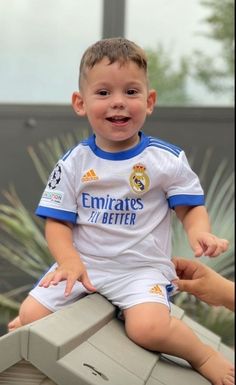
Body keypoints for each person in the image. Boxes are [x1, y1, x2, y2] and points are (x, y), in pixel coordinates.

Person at [8, 38, 234, 385]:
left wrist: (199, 233)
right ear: (80, 103)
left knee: (148, 328)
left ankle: (203, 355)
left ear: (150, 101)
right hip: (85, 266)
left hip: (139, 270)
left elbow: (191, 209)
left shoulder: (165, 159)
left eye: (131, 92)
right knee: (31, 313)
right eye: (103, 93)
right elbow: (57, 223)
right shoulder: (73, 164)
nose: (118, 103)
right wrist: (69, 261)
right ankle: (30, 323)